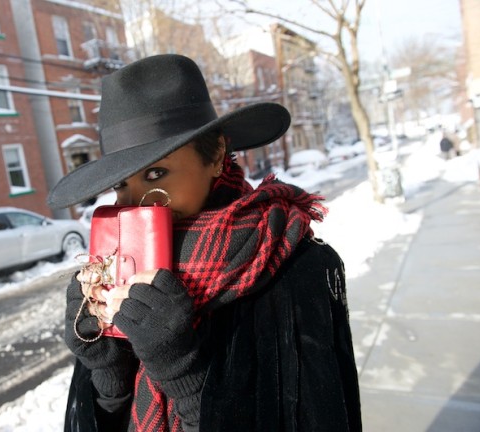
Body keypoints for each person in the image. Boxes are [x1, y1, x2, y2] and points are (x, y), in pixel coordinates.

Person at [49, 54, 362, 432]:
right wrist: (106, 372)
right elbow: (110, 416)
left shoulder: (297, 269)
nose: (133, 206)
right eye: (120, 184)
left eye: (155, 173)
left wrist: (183, 370)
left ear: (215, 154)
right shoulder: (120, 272)